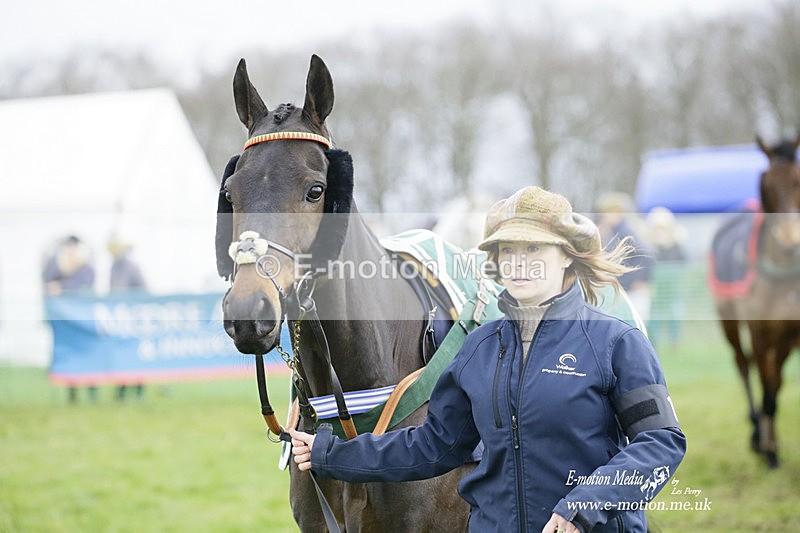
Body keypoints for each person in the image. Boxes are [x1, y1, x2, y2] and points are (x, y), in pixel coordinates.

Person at [289, 186, 686, 533]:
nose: (519, 261)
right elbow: (433, 445)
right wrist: (331, 455)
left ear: (567, 256)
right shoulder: (477, 348)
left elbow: (662, 443)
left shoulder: (617, 342)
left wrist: (585, 506)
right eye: (508, 250)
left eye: (534, 248)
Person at [42, 235, 97, 403]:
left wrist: (62, 287)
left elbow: (85, 284)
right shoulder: (57, 264)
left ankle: (91, 391)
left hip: (83, 319)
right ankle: (72, 392)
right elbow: (46, 279)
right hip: (64, 321)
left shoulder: (86, 267)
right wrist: (61, 266)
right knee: (69, 355)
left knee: (89, 355)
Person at [595, 192, 655, 323]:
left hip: (633, 291)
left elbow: (647, 255)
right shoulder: (614, 231)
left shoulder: (625, 231)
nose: (603, 217)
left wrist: (640, 280)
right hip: (626, 289)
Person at [107, 234, 147, 401]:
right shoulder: (113, 267)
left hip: (132, 317)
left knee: (134, 353)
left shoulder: (131, 267)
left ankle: (138, 389)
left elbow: (142, 290)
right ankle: (122, 390)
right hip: (120, 317)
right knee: (122, 354)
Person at [644, 207, 687, 348]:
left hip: (673, 290)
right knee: (654, 316)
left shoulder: (676, 245)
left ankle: (674, 342)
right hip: (656, 290)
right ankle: (653, 341)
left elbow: (683, 262)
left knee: (675, 314)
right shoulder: (649, 246)